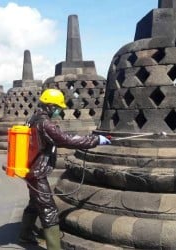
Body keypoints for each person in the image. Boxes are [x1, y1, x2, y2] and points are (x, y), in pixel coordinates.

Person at [18, 88, 110, 250]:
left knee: (35, 202)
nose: (58, 111)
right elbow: (65, 140)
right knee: (49, 209)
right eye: (58, 108)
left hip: (30, 168)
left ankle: (25, 235)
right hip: (37, 172)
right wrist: (95, 140)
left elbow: (57, 136)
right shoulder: (45, 123)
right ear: (50, 106)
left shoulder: (33, 118)